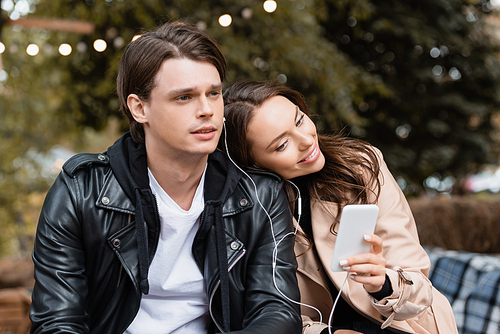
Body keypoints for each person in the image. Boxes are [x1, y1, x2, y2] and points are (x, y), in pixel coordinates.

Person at [29, 23, 302, 334]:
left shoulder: (259, 194)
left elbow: (279, 311)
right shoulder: (81, 192)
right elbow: (57, 323)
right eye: (184, 97)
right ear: (139, 108)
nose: (206, 110)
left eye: (213, 93)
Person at [222, 80, 458, 334]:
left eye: (300, 120)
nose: (306, 140)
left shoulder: (362, 167)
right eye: (282, 144)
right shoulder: (243, 210)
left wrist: (384, 283)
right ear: (251, 164)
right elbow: (262, 312)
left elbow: (419, 290)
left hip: (401, 324)